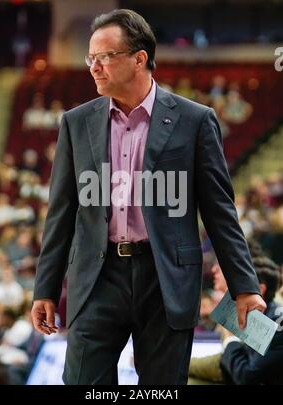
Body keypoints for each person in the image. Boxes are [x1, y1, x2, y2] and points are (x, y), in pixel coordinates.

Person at [31, 9, 266, 385]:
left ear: (140, 58)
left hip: (166, 279)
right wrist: (45, 288)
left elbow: (220, 212)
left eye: (105, 57)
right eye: (91, 58)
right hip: (96, 278)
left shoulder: (195, 120)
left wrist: (245, 287)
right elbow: (61, 213)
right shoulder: (76, 123)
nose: (94, 67)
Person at [188, 256, 283, 385]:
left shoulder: (275, 325)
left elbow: (245, 377)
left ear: (260, 290)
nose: (214, 270)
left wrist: (230, 339)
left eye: (237, 283)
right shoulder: (259, 315)